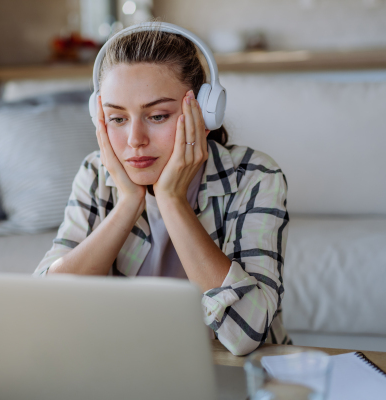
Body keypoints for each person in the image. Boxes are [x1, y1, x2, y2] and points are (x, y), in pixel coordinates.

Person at [33, 23, 291, 356]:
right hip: (127, 367)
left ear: (204, 111)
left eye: (157, 116)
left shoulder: (256, 176)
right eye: (117, 118)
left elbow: (244, 333)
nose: (134, 140)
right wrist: (128, 203)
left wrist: (171, 200)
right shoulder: (96, 173)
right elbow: (44, 308)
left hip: (228, 371)